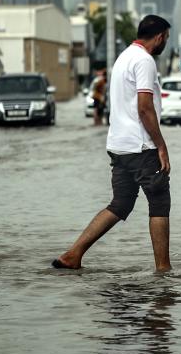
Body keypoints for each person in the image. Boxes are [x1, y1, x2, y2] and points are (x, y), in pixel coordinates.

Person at [52, 15, 172, 271]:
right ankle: (164, 271)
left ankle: (73, 254)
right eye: (166, 38)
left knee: (120, 204)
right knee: (160, 201)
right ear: (160, 37)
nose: (166, 43)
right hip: (141, 146)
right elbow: (144, 108)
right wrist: (161, 146)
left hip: (119, 146)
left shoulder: (123, 57)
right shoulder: (144, 60)